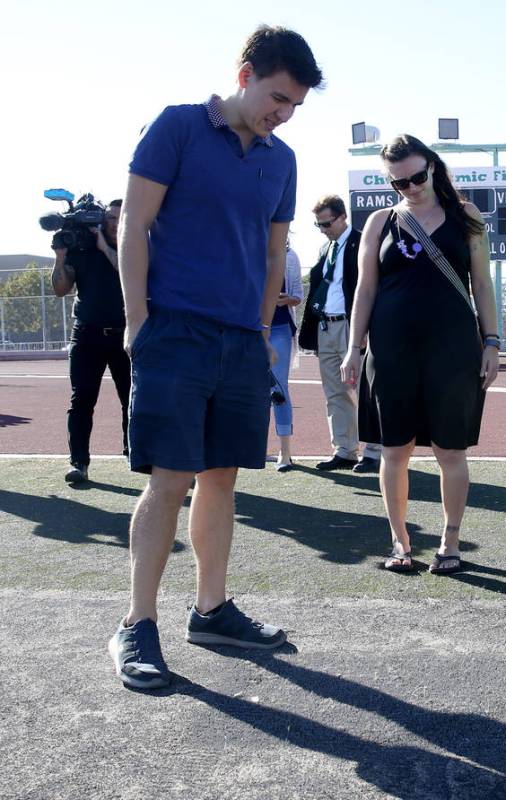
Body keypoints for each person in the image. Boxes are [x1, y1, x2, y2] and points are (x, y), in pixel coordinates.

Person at [109, 26, 323, 690]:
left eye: (293, 106)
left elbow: (270, 253)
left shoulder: (280, 161)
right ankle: (136, 624)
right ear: (245, 74)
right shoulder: (175, 127)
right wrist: (139, 318)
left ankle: (211, 608)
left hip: (240, 341)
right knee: (170, 478)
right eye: (277, 97)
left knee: (223, 478)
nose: (282, 114)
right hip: (174, 332)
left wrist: (261, 334)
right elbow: (133, 224)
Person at [340, 134, 499, 574]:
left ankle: (450, 542)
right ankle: (400, 542)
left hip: (452, 349)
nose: (410, 188)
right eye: (399, 183)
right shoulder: (378, 222)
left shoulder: (466, 216)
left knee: (451, 451)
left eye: (416, 177)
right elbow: (365, 290)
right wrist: (355, 348)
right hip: (391, 350)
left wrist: (492, 341)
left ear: (432, 166)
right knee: (394, 450)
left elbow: (482, 285)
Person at [297, 195, 382, 473]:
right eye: (318, 225)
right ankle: (344, 449)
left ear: (343, 216)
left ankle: (374, 450)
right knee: (335, 391)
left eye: (327, 223)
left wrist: (366, 330)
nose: (323, 229)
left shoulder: (362, 242)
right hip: (326, 326)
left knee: (364, 388)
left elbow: (371, 288)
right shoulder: (326, 248)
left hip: (351, 325)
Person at [51, 199, 131, 484]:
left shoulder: (133, 244)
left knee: (131, 400)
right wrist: (61, 257)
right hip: (87, 335)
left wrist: (105, 248)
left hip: (125, 335)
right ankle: (79, 463)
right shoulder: (81, 248)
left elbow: (128, 274)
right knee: (81, 400)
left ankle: (134, 455)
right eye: (109, 217)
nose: (113, 222)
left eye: (119, 217)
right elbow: (61, 289)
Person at [268, 239, 303, 471]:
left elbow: (297, 296)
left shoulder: (289, 256)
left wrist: (283, 300)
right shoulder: (244, 249)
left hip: (280, 328)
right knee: (249, 389)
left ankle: (285, 452)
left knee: (278, 388)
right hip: (251, 330)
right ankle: (252, 447)